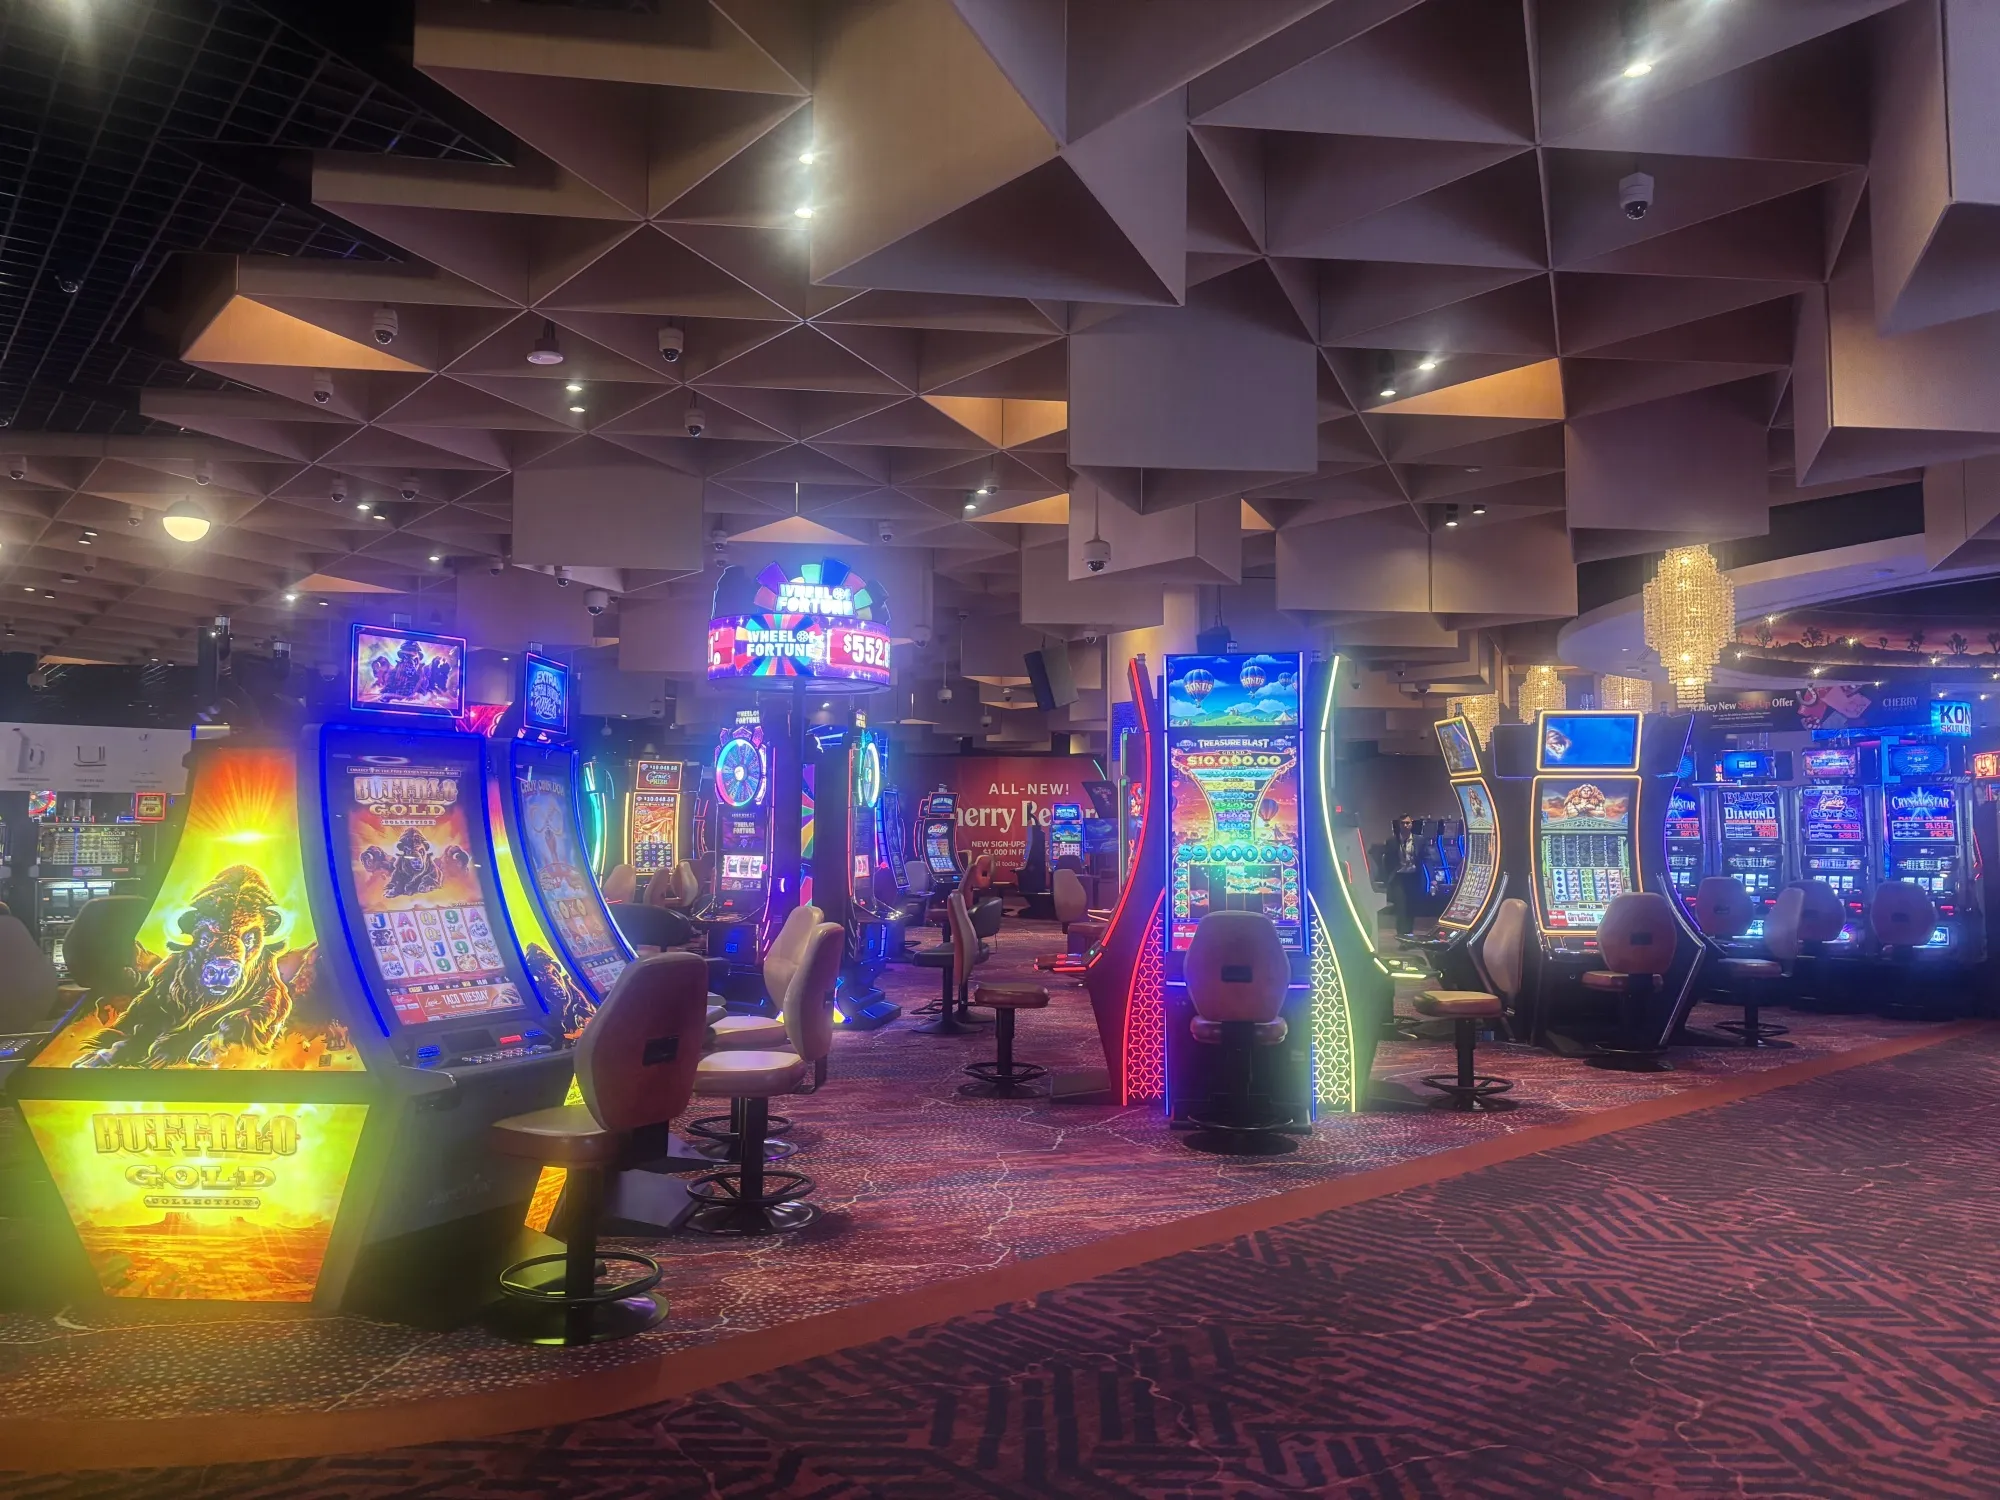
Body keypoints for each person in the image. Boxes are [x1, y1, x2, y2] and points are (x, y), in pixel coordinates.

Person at [1376, 816, 1424, 938]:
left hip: (1413, 877)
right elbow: (1386, 861)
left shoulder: (1419, 840)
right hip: (1399, 877)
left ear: (1411, 824)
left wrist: (1432, 878)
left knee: (1411, 908)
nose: (1405, 825)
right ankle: (1401, 935)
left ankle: (1409, 934)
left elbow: (1426, 858)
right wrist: (1387, 877)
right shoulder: (1392, 841)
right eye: (1402, 823)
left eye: (1407, 823)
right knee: (1401, 908)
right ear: (1399, 825)